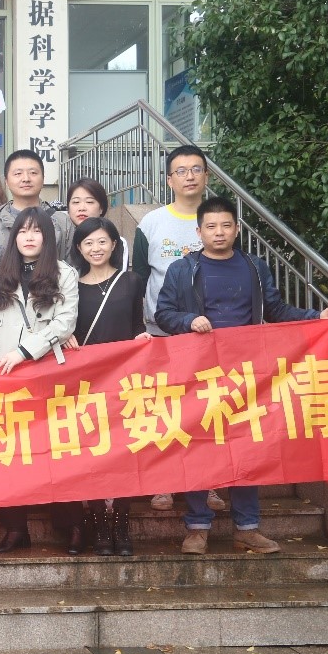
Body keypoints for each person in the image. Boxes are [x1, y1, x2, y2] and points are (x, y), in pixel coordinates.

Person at [155, 197, 328, 556]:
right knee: (199, 448)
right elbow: (163, 313)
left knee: (246, 449)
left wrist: (314, 317)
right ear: (199, 231)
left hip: (247, 375)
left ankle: (247, 528)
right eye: (211, 226)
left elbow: (275, 309)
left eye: (226, 225)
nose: (219, 232)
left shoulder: (254, 267)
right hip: (199, 375)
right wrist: (188, 321)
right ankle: (197, 528)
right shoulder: (183, 269)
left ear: (237, 229)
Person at [0, 207, 79, 553]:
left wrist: (25, 352)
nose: (29, 237)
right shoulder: (2, 277)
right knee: (9, 453)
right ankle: (15, 528)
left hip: (47, 375)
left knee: (57, 452)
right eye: (23, 231)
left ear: (48, 236)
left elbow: (64, 323)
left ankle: (71, 524)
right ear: (14, 238)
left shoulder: (64, 274)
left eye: (36, 231)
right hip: (5, 378)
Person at [131, 146, 221, 514]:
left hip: (210, 335)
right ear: (169, 180)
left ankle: (208, 483)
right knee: (163, 410)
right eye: (180, 171)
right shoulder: (152, 223)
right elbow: (138, 278)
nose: (189, 176)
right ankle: (164, 483)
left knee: (207, 410)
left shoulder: (218, 220)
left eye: (196, 169)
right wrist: (137, 326)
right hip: (161, 331)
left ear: (206, 176)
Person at [60, 217, 151, 556]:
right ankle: (99, 524)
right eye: (88, 243)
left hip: (124, 381)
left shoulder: (131, 281)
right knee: (93, 454)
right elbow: (62, 325)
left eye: (102, 242)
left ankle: (121, 525)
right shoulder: (71, 286)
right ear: (79, 248)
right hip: (86, 383)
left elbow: (137, 324)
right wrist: (63, 336)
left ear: (114, 244)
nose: (95, 248)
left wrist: (142, 340)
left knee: (125, 454)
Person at [0, 149, 56, 314]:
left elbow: (72, 272)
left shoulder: (60, 222)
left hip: (51, 314)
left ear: (43, 179)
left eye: (33, 173)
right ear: (6, 181)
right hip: (3, 316)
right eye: (18, 173)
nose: (26, 178)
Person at [53, 179, 126, 270]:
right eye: (76, 202)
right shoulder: (58, 232)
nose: (82, 208)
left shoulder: (116, 240)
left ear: (101, 208)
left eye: (89, 202)